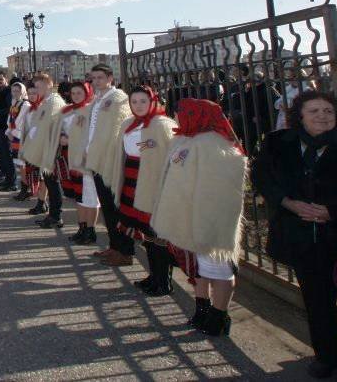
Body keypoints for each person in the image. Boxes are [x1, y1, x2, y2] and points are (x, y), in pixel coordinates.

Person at [252, 91, 337, 379]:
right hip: (301, 239)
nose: (322, 116)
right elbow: (262, 177)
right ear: (300, 116)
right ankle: (327, 357)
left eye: (328, 111)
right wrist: (286, 202)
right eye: (314, 111)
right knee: (317, 302)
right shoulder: (278, 145)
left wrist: (333, 211)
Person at [153, 99, 247, 338]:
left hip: (207, 220)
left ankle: (219, 314)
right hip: (187, 216)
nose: (176, 117)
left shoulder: (214, 146)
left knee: (218, 269)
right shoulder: (187, 139)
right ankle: (202, 306)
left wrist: (205, 221)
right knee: (200, 269)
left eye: (180, 113)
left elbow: (219, 191)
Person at [110, 87, 178, 296]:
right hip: (132, 179)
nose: (138, 105)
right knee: (145, 234)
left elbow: (172, 156)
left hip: (152, 183)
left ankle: (163, 281)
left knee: (157, 234)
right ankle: (153, 276)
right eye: (134, 102)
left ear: (152, 101)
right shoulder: (128, 124)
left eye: (143, 101)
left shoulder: (162, 125)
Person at [80, 64, 133, 266]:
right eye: (93, 78)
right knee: (107, 207)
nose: (96, 82)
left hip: (109, 159)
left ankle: (125, 251)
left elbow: (116, 130)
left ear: (110, 78)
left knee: (115, 206)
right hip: (95, 158)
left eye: (100, 77)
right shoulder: (98, 99)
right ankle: (114, 246)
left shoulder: (118, 98)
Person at [21, 74, 66, 229]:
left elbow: (47, 125)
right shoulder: (47, 101)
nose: (37, 89)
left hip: (51, 149)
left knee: (53, 184)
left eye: (39, 86)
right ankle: (53, 214)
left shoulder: (54, 101)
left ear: (49, 84)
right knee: (49, 182)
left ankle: (56, 216)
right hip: (45, 147)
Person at [60, 81, 95, 243]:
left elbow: (91, 135)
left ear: (87, 93)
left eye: (79, 93)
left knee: (90, 195)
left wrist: (70, 139)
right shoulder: (68, 111)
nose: (75, 96)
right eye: (73, 93)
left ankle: (90, 230)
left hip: (86, 159)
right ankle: (82, 227)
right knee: (79, 195)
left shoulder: (91, 111)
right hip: (72, 158)